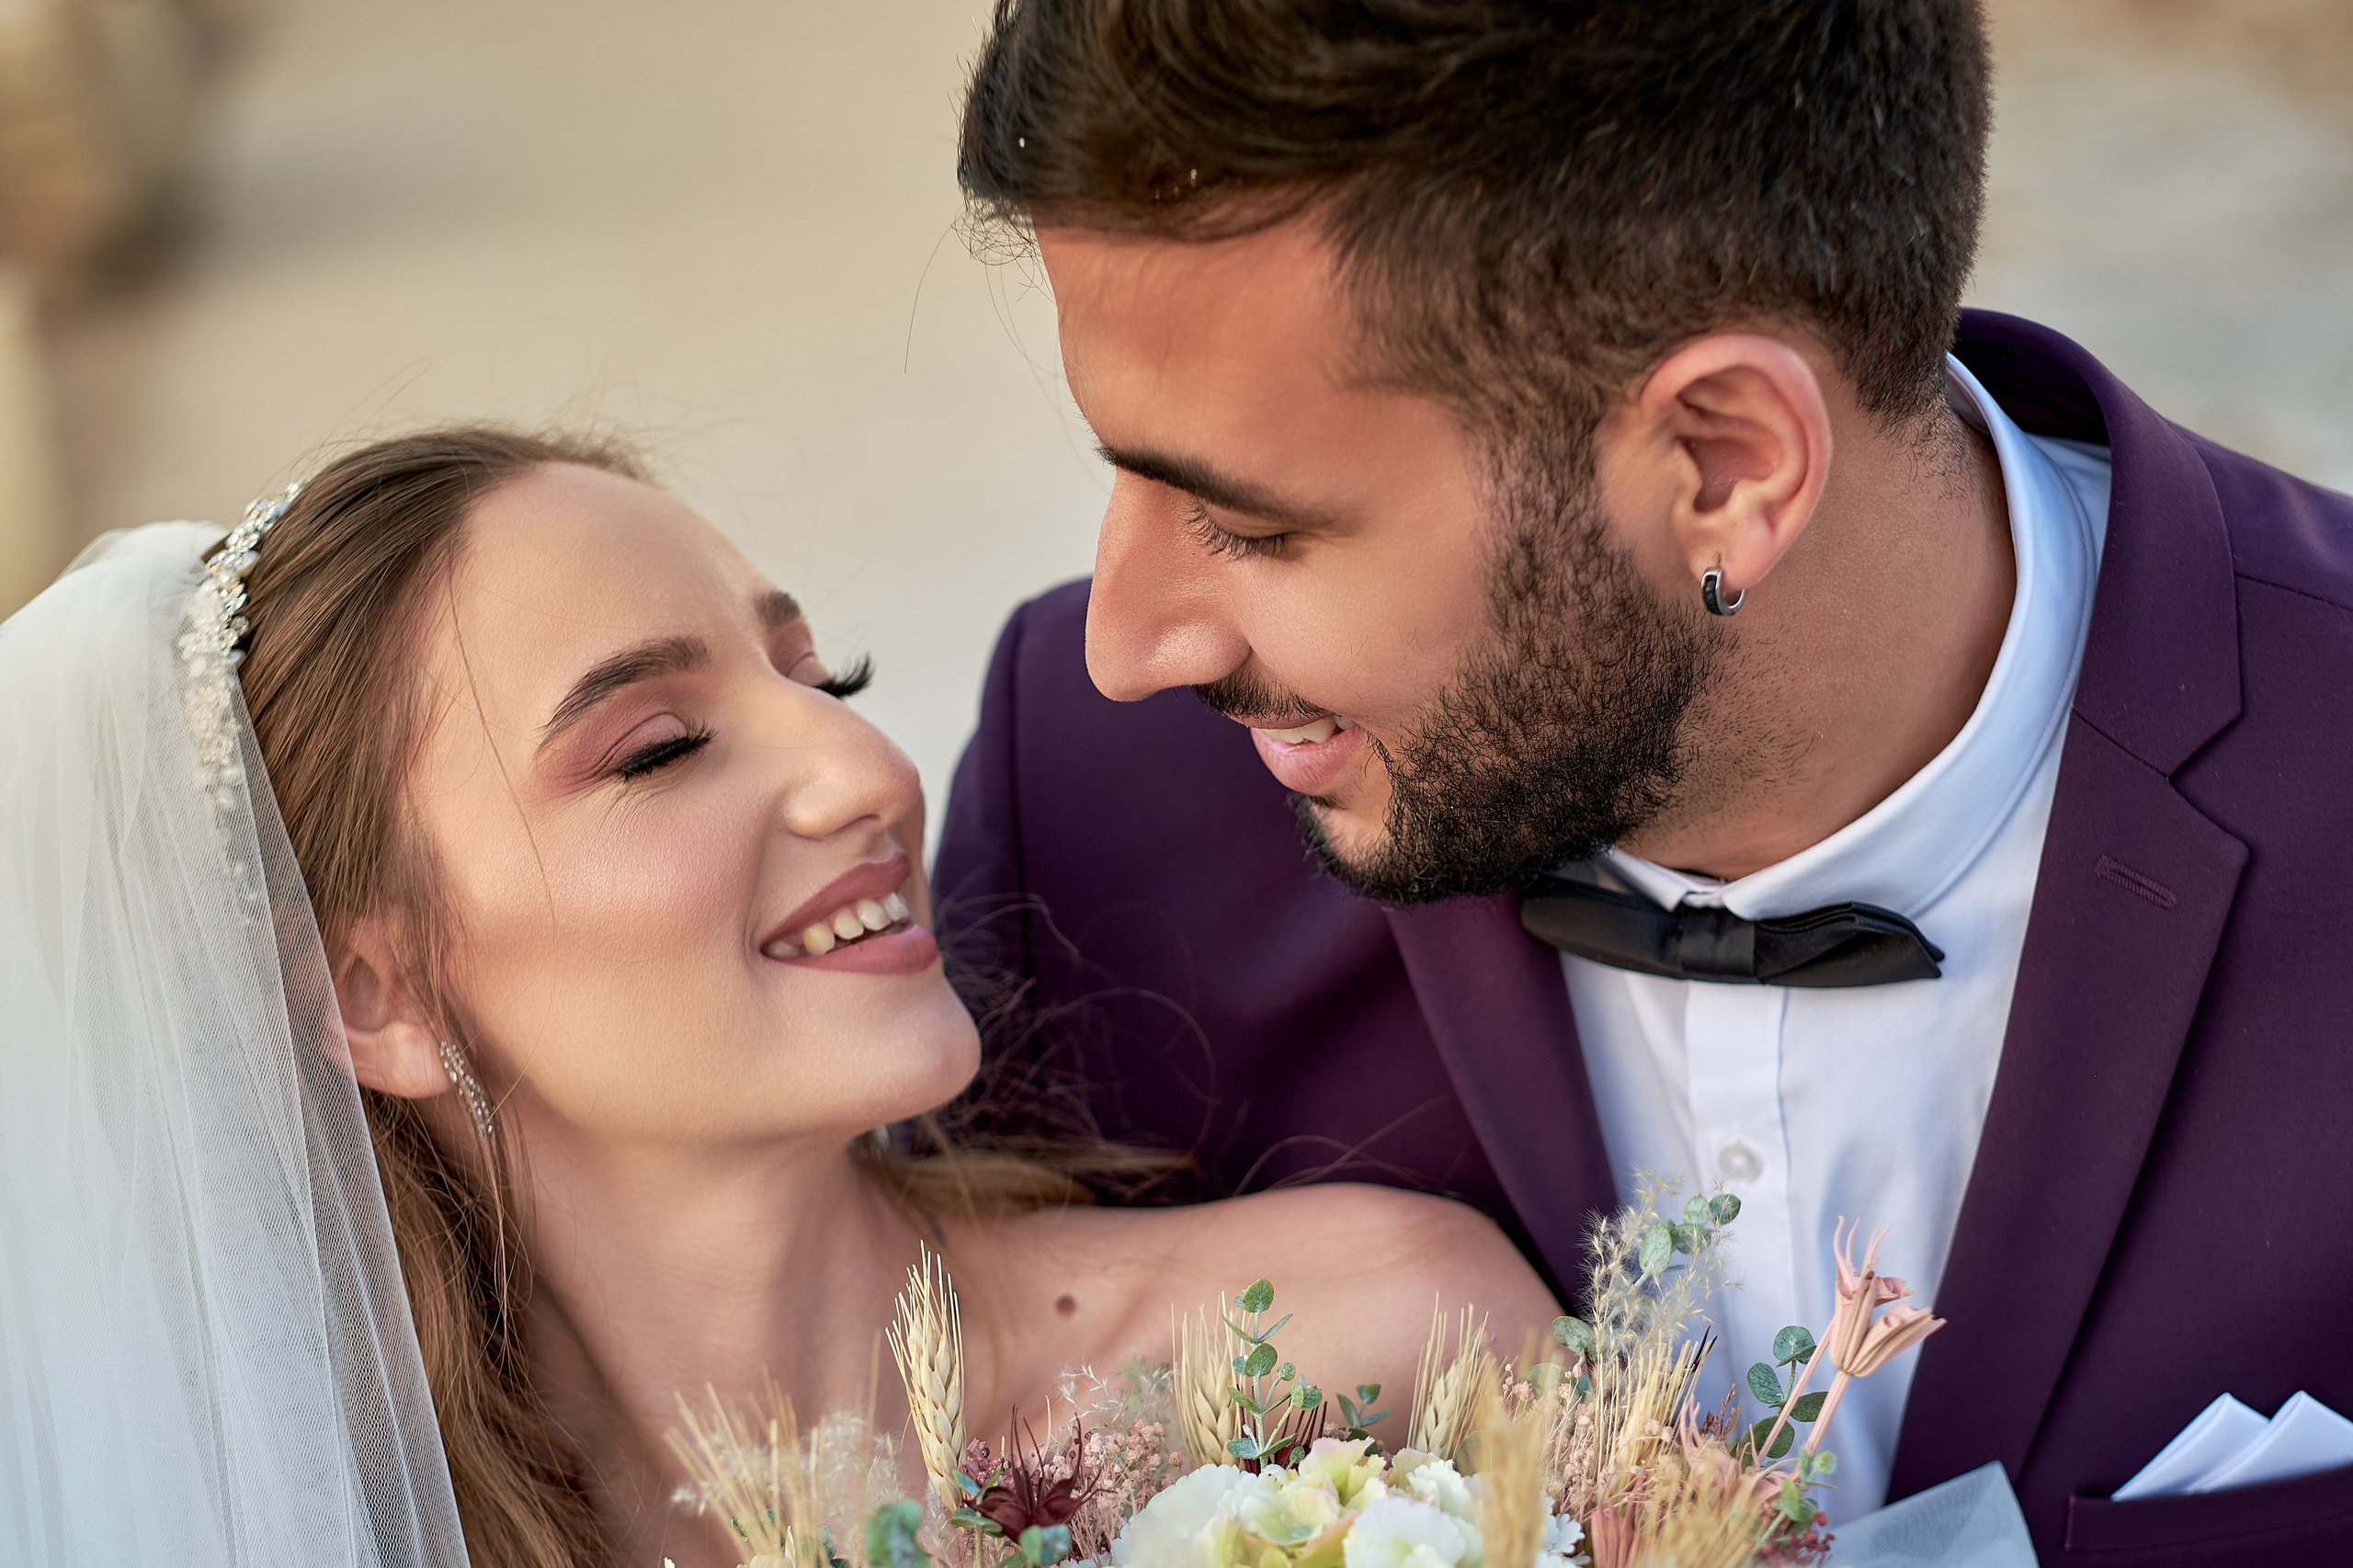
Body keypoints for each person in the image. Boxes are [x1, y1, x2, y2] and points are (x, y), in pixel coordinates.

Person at [933, 0, 2353, 1559]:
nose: (1125, 644)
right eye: (1121, 466)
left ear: (1726, 466)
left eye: (1255, 525)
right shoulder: (1089, 813)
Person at [0, 429, 1556, 1568]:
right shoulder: (307, 1532)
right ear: (373, 992)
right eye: (661, 746)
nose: (865, 772)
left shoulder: (1390, 1345)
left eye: (827, 680)